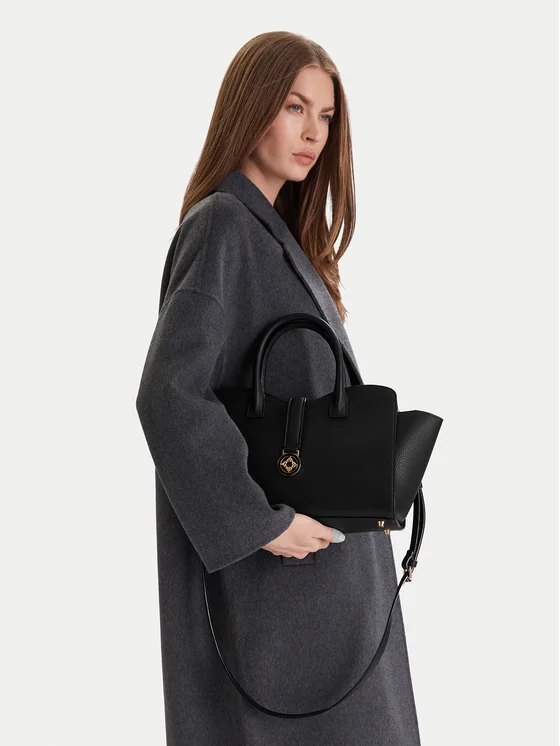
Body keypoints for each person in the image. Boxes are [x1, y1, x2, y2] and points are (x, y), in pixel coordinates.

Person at [135, 30, 422, 746]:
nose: (314, 133)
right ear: (250, 106)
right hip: (282, 587)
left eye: (325, 116)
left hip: (320, 585)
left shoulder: (275, 235)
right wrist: (259, 523)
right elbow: (169, 393)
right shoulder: (222, 227)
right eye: (295, 107)